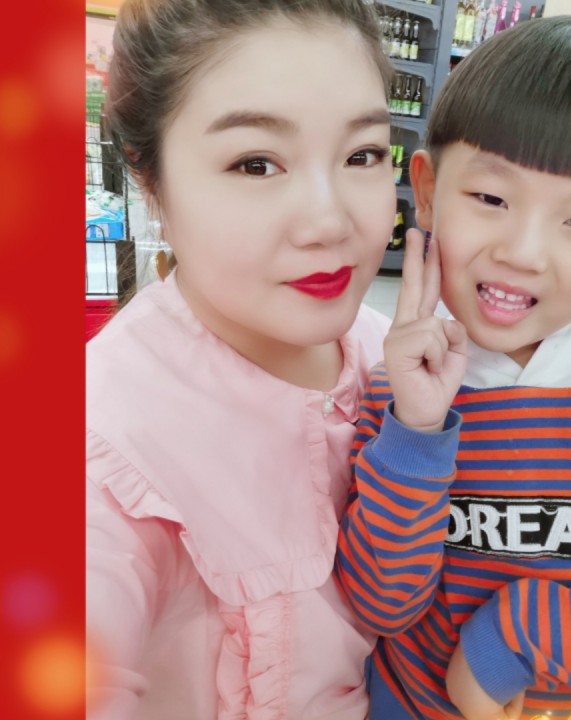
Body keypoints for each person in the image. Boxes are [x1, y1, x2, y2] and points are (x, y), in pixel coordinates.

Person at [85, 1, 399, 718]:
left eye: (362, 155)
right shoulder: (104, 442)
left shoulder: (394, 359)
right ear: (149, 179)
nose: (329, 222)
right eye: (255, 163)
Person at [335, 16, 571, 720]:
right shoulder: (398, 388)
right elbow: (380, 605)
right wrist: (416, 429)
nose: (523, 252)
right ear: (428, 191)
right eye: (492, 199)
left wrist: (514, 640)